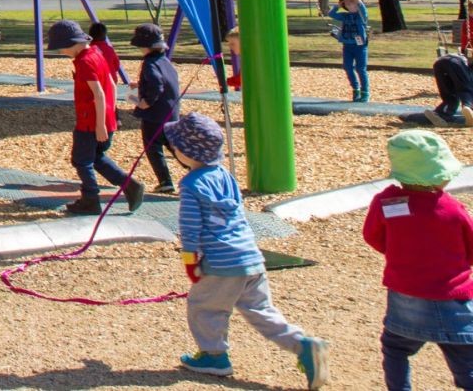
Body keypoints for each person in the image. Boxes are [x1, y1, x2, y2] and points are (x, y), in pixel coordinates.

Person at [168, 113, 329, 386]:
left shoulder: (191, 185)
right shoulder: (226, 177)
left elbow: (190, 226)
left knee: (205, 307)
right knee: (261, 310)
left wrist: (189, 259)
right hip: (251, 257)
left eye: (175, 146)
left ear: (185, 152)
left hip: (221, 264)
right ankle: (302, 344)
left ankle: (214, 355)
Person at [365, 129, 473, 390]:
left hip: (405, 296)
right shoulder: (450, 209)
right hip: (453, 298)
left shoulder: (386, 202)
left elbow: (372, 235)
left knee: (396, 348)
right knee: (466, 361)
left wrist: (398, 252)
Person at [46, 19, 141, 216]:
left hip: (90, 121)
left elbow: (98, 94)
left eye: (62, 48)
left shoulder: (85, 62)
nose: (62, 52)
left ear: (72, 43)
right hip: (105, 118)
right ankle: (129, 185)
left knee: (81, 161)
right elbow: (112, 86)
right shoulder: (97, 54)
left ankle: (91, 199)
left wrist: (100, 125)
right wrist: (112, 116)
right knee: (95, 157)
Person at [131, 22, 180, 196]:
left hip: (155, 115)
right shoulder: (164, 60)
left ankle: (165, 181)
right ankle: (196, 171)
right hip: (170, 112)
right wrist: (140, 84)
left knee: (152, 146)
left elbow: (157, 83)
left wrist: (147, 102)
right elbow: (165, 80)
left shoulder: (150, 63)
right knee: (174, 146)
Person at [329, 0, 371, 101]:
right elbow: (331, 14)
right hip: (347, 46)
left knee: (360, 69)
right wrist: (338, 5)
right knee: (347, 67)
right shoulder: (344, 16)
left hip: (360, 47)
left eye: (353, 4)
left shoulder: (361, 16)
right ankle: (355, 89)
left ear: (357, 4)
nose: (350, 6)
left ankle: (365, 92)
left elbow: (363, 10)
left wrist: (358, 0)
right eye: (347, 4)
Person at [428, 52, 473, 128]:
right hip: (455, 63)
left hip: (439, 63)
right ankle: (468, 107)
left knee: (451, 96)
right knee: (467, 89)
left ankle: (439, 113)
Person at [88, 19, 129, 86]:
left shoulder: (89, 50)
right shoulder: (109, 49)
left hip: (96, 81)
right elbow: (116, 64)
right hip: (111, 80)